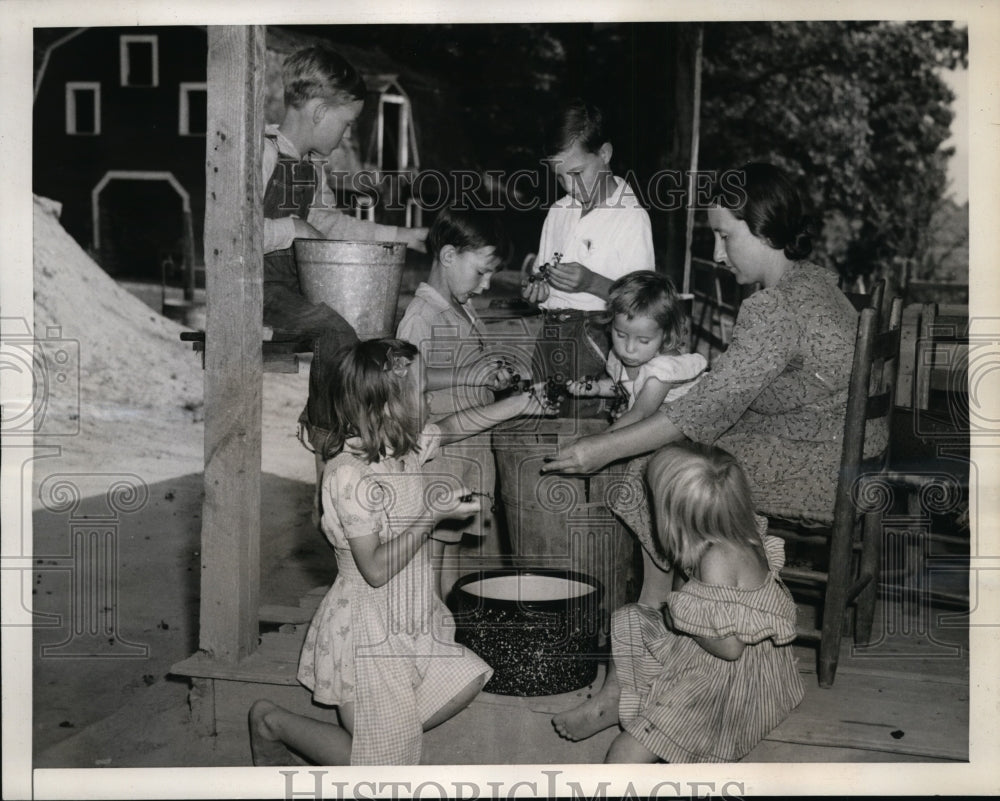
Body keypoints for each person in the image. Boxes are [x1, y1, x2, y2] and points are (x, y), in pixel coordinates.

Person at [547, 162, 871, 740]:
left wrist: (602, 448)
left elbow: (700, 411)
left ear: (764, 228)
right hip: (839, 447)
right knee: (668, 456)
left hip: (817, 465)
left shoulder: (775, 308)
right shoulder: (814, 283)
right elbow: (738, 386)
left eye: (725, 235)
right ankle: (660, 644)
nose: (718, 254)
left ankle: (638, 674)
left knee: (649, 473)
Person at [248, 339, 550, 766]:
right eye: (422, 392)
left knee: (466, 678)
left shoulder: (399, 447)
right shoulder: (349, 476)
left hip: (411, 613)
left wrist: (522, 403)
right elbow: (373, 569)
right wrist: (431, 517)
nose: (429, 401)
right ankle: (272, 723)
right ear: (386, 405)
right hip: (369, 626)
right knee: (386, 762)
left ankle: (381, 742)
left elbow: (454, 426)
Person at [582, 442, 804, 763]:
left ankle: (644, 726)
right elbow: (690, 592)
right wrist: (680, 604)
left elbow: (731, 648)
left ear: (675, 516)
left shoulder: (718, 559)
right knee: (629, 619)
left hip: (726, 678)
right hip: (706, 646)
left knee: (625, 752)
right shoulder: (724, 534)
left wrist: (678, 619)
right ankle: (615, 697)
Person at [261, 44, 428, 457]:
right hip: (257, 289)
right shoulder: (262, 153)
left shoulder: (311, 166)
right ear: (319, 112)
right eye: (347, 123)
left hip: (295, 287)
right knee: (332, 328)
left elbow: (331, 225)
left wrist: (404, 235)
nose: (348, 135)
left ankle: (369, 420)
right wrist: (292, 228)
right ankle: (324, 429)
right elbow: (234, 235)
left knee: (375, 322)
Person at [396, 208, 524, 597]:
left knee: (449, 558)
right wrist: (471, 375)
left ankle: (449, 625)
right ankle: (428, 627)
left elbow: (469, 368)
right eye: (481, 272)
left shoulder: (463, 309)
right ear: (449, 255)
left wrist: (492, 373)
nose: (486, 285)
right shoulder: (422, 316)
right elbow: (408, 378)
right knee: (429, 565)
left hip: (466, 455)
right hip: (438, 459)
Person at [521, 99, 654, 418]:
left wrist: (591, 282)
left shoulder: (630, 217)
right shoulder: (558, 212)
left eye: (577, 173)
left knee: (583, 425)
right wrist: (535, 290)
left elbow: (645, 303)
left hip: (596, 339)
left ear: (605, 154)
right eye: (560, 177)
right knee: (540, 419)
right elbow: (540, 276)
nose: (570, 186)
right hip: (550, 336)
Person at [565, 270, 706, 570]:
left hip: (689, 443)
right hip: (654, 438)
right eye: (620, 335)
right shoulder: (624, 358)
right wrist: (593, 388)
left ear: (666, 335)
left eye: (643, 340)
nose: (629, 348)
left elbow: (641, 411)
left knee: (661, 509)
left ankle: (661, 568)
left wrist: (601, 443)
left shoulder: (662, 369)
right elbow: (623, 387)